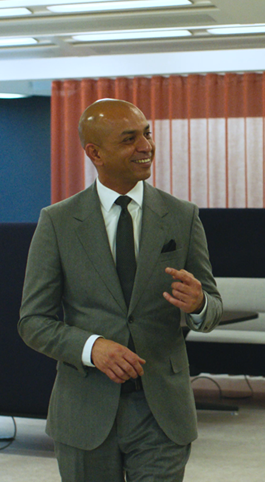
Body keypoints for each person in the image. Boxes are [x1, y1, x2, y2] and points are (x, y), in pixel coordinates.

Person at [19, 98, 223, 482]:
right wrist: (91, 347)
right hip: (84, 413)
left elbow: (212, 309)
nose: (145, 146)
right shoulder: (58, 222)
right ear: (94, 152)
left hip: (162, 412)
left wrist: (198, 304)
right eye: (130, 138)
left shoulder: (182, 216)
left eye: (146, 133)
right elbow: (33, 321)